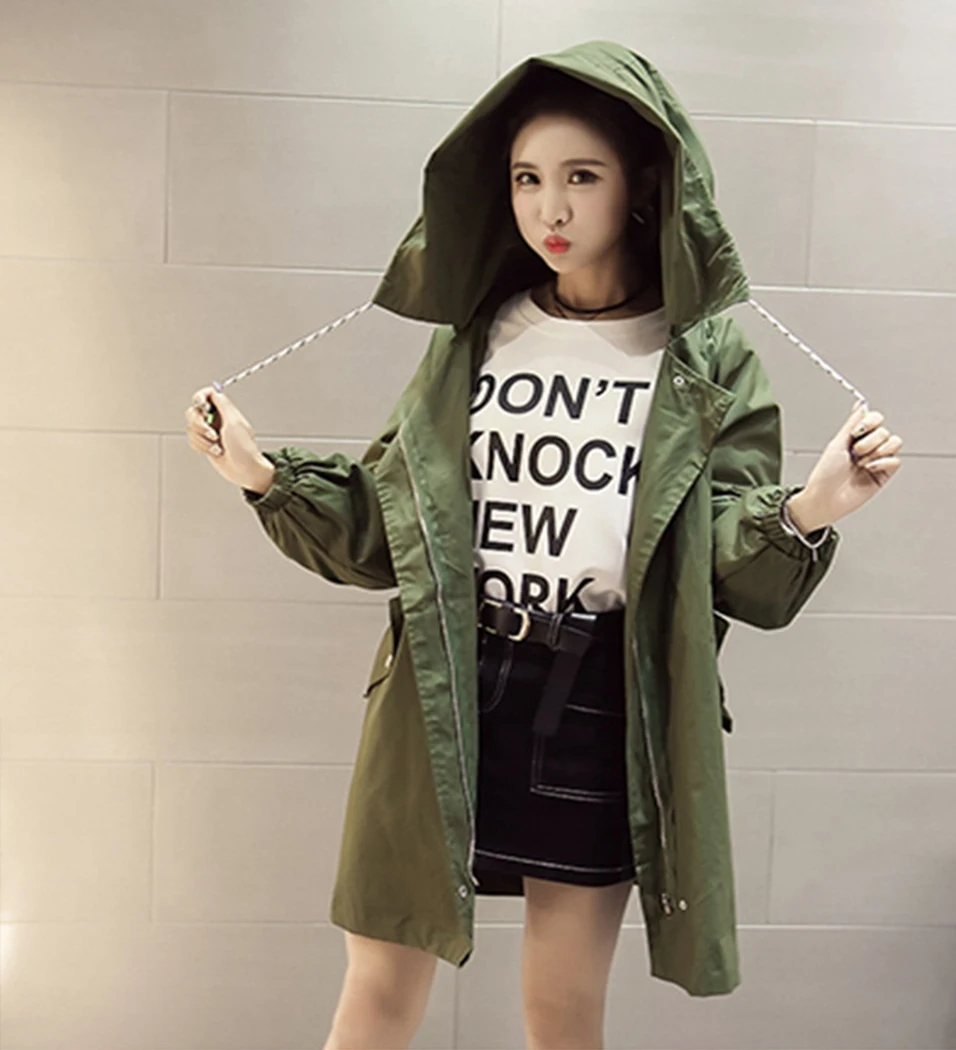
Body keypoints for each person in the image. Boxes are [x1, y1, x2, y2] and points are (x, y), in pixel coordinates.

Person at [184, 40, 903, 1050]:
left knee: (561, 1010)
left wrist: (812, 507)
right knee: (379, 981)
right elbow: (392, 530)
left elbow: (726, 570)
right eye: (527, 178)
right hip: (446, 683)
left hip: (598, 695)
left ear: (642, 185)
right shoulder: (475, 337)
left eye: (581, 176)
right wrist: (264, 476)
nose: (549, 208)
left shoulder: (706, 358)